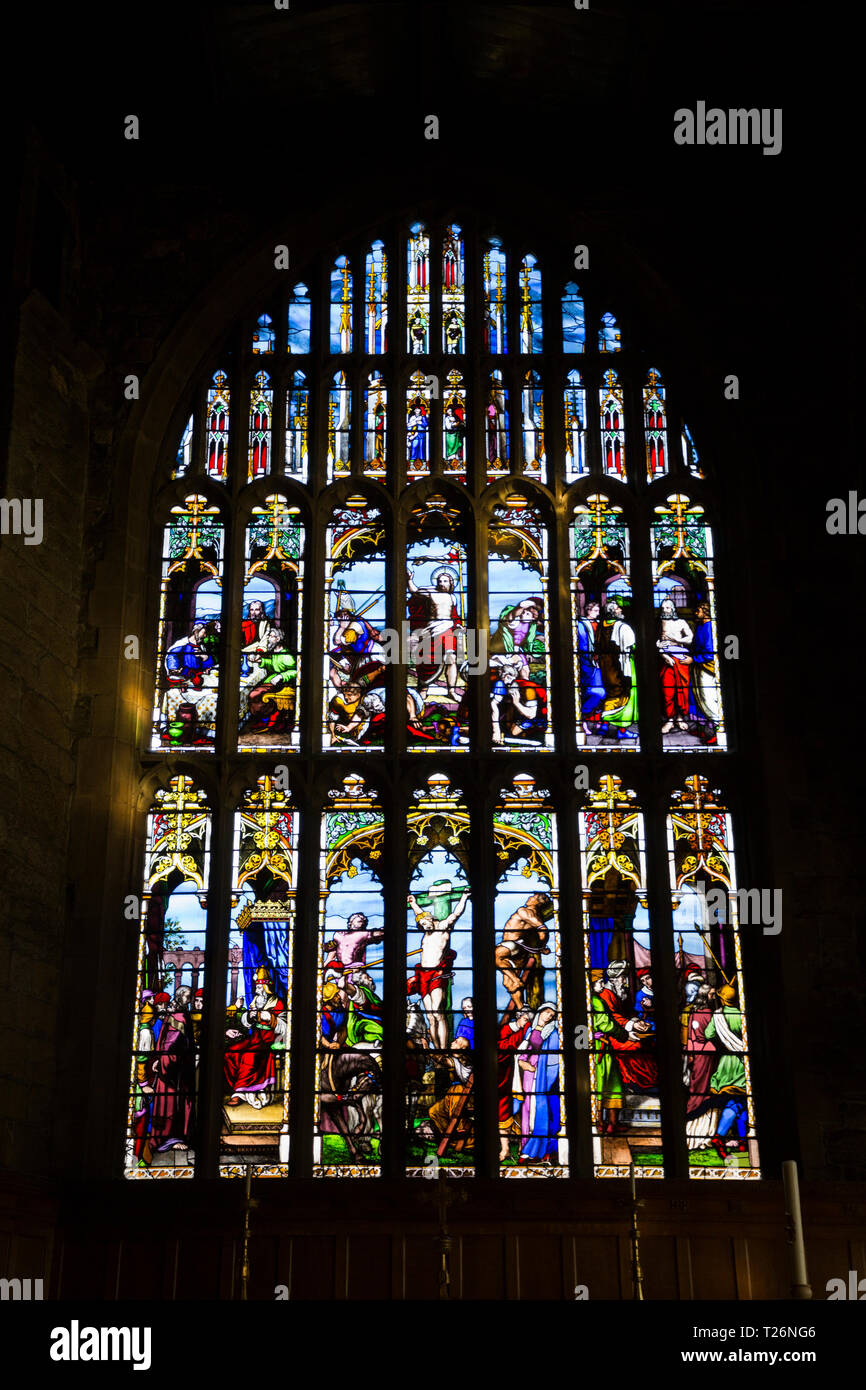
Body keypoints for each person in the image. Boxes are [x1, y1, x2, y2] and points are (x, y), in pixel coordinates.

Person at [406, 887, 470, 1050]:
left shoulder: (443, 927)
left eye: (425, 922)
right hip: (423, 975)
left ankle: (443, 1049)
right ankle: (436, 1052)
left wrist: (464, 897)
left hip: (436, 975)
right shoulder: (425, 934)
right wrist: (413, 904)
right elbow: (419, 914)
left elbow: (456, 914)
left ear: (430, 918)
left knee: (438, 1013)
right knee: (431, 1017)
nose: (423, 926)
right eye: (421, 924)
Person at [224, 966, 286, 1109]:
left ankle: (239, 1093)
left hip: (270, 1040)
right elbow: (246, 1022)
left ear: (266, 987)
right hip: (255, 1038)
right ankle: (238, 1087)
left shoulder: (278, 1003)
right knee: (230, 1052)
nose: (257, 989)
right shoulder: (256, 1000)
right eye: (257, 986)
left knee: (249, 1056)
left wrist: (270, 1018)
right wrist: (249, 1017)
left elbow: (285, 1027)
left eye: (260, 986)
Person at [406, 566, 465, 697]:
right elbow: (415, 592)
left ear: (451, 583)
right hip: (431, 631)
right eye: (439, 581)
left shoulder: (453, 598)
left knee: (451, 658)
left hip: (447, 630)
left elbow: (454, 616)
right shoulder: (430, 593)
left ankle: (451, 691)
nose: (441, 583)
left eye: (445, 581)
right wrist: (409, 580)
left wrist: (458, 625)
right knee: (427, 661)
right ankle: (423, 690)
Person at [494, 892, 552, 1011]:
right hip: (519, 951)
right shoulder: (535, 914)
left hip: (512, 944)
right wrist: (542, 946)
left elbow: (543, 929)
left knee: (495, 955)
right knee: (508, 983)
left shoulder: (524, 911)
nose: (529, 898)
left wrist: (541, 945)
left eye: (533, 897)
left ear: (538, 901)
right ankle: (522, 1010)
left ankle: (516, 980)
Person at [517, 1006, 561, 1163]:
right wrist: (522, 1062)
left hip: (542, 1075)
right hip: (529, 1074)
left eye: (552, 1014)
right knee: (527, 1108)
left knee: (540, 1109)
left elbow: (554, 1058)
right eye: (547, 1012)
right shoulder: (530, 1030)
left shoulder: (553, 1032)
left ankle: (537, 1150)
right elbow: (525, 1051)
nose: (549, 1016)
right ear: (540, 1012)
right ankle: (525, 1147)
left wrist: (542, 1071)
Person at [599, 599, 638, 740]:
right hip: (622, 666)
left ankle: (604, 725)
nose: (620, 610)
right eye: (618, 608)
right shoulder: (621, 627)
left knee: (611, 694)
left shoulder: (601, 626)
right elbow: (632, 646)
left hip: (606, 666)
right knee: (624, 695)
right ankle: (622, 730)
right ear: (612, 611)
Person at [497, 1006, 532, 1159]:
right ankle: (505, 1149)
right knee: (502, 1115)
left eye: (530, 1020)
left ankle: (522, 1147)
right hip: (506, 1078)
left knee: (524, 1114)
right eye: (525, 1019)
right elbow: (503, 1048)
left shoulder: (531, 1030)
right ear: (519, 1016)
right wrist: (523, 1032)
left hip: (527, 1079)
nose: (527, 1022)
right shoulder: (506, 1030)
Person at [657, 597, 693, 733]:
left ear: (672, 609)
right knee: (668, 691)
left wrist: (677, 639)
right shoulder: (659, 623)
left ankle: (679, 717)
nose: (664, 610)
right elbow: (654, 641)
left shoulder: (681, 622)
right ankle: (670, 720)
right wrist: (663, 654)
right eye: (663, 608)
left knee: (681, 689)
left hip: (680, 658)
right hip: (666, 659)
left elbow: (690, 638)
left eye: (667, 608)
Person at [690, 601, 720, 744]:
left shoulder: (709, 627)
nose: (696, 613)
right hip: (698, 665)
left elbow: (709, 653)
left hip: (707, 667)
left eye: (698, 610)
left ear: (705, 611)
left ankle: (718, 729)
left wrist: (693, 659)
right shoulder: (700, 626)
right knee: (698, 697)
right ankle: (704, 728)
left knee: (707, 697)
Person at [576, 600, 607, 734]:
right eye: (595, 610)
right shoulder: (581, 625)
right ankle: (582, 719)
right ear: (588, 610)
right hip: (589, 663)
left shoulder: (599, 624)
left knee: (603, 693)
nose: (597, 613)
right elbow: (583, 646)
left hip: (602, 663)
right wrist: (593, 658)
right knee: (596, 692)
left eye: (598, 611)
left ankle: (597, 719)